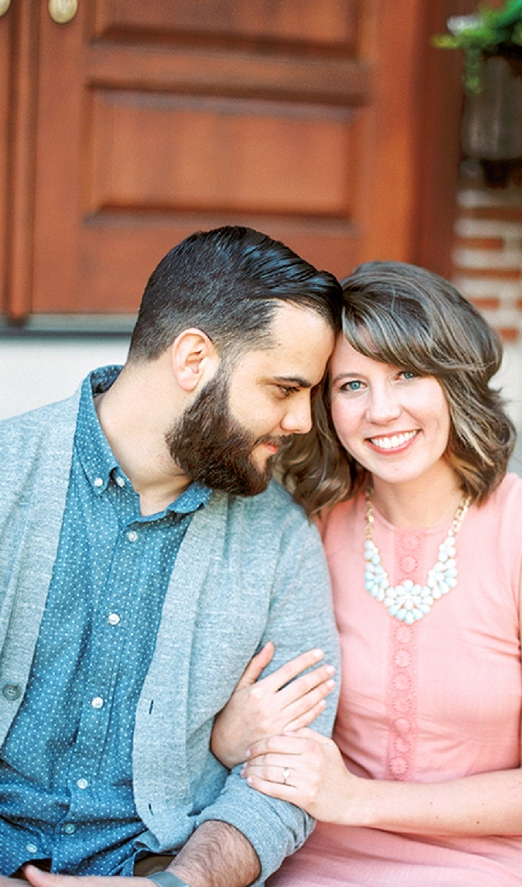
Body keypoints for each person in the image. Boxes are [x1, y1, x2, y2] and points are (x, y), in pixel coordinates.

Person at [212, 261, 522, 886]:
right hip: (318, 849)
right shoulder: (307, 528)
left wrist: (358, 800)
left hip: (489, 859)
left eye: (408, 374)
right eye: (351, 386)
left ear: (456, 381)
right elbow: (251, 709)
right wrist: (228, 737)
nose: (382, 411)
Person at [0, 227, 344, 887]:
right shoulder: (9, 474)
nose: (302, 420)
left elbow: (285, 776)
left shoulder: (279, 539)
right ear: (193, 359)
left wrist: (180, 884)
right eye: (283, 388)